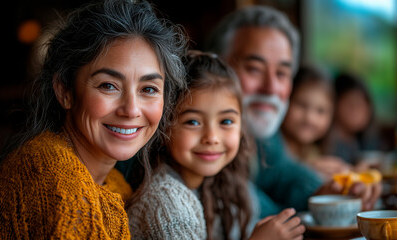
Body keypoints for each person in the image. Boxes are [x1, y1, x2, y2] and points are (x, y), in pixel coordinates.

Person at [0, 0, 188, 238]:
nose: (131, 110)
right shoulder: (50, 173)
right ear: (64, 91)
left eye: (148, 89)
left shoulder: (115, 184)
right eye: (108, 86)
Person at [205, 5, 382, 218]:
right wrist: (297, 216)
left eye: (282, 73)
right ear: (215, 67)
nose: (271, 88)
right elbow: (240, 201)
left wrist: (330, 191)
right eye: (254, 69)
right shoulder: (202, 142)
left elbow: (285, 174)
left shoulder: (266, 136)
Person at [127, 51, 305, 240]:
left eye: (226, 122)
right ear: (164, 129)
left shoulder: (221, 186)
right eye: (193, 122)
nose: (212, 138)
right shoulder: (166, 203)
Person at [280, 64, 351, 180]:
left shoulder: (313, 152)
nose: (310, 118)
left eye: (320, 111)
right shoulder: (272, 152)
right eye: (301, 105)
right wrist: (307, 171)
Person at [324, 71, 382, 169]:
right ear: (334, 104)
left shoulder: (358, 141)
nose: (361, 112)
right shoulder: (326, 142)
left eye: (365, 105)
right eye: (352, 104)